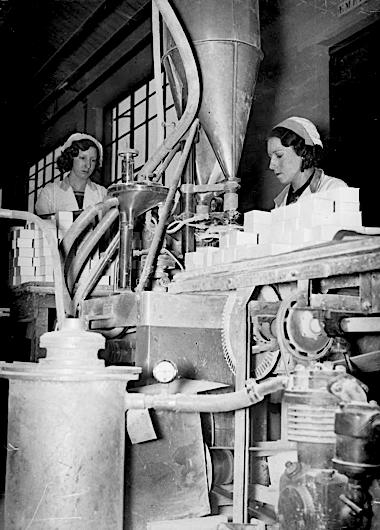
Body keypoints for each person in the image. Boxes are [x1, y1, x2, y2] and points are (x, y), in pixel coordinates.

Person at [267, 116, 347, 207]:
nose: (271, 165)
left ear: (303, 152)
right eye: (270, 157)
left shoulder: (334, 189)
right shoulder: (280, 203)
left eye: (279, 155)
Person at [35, 133, 107, 215]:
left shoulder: (103, 193)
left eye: (93, 160)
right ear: (70, 158)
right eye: (82, 158)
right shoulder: (49, 193)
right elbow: (42, 225)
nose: (88, 165)